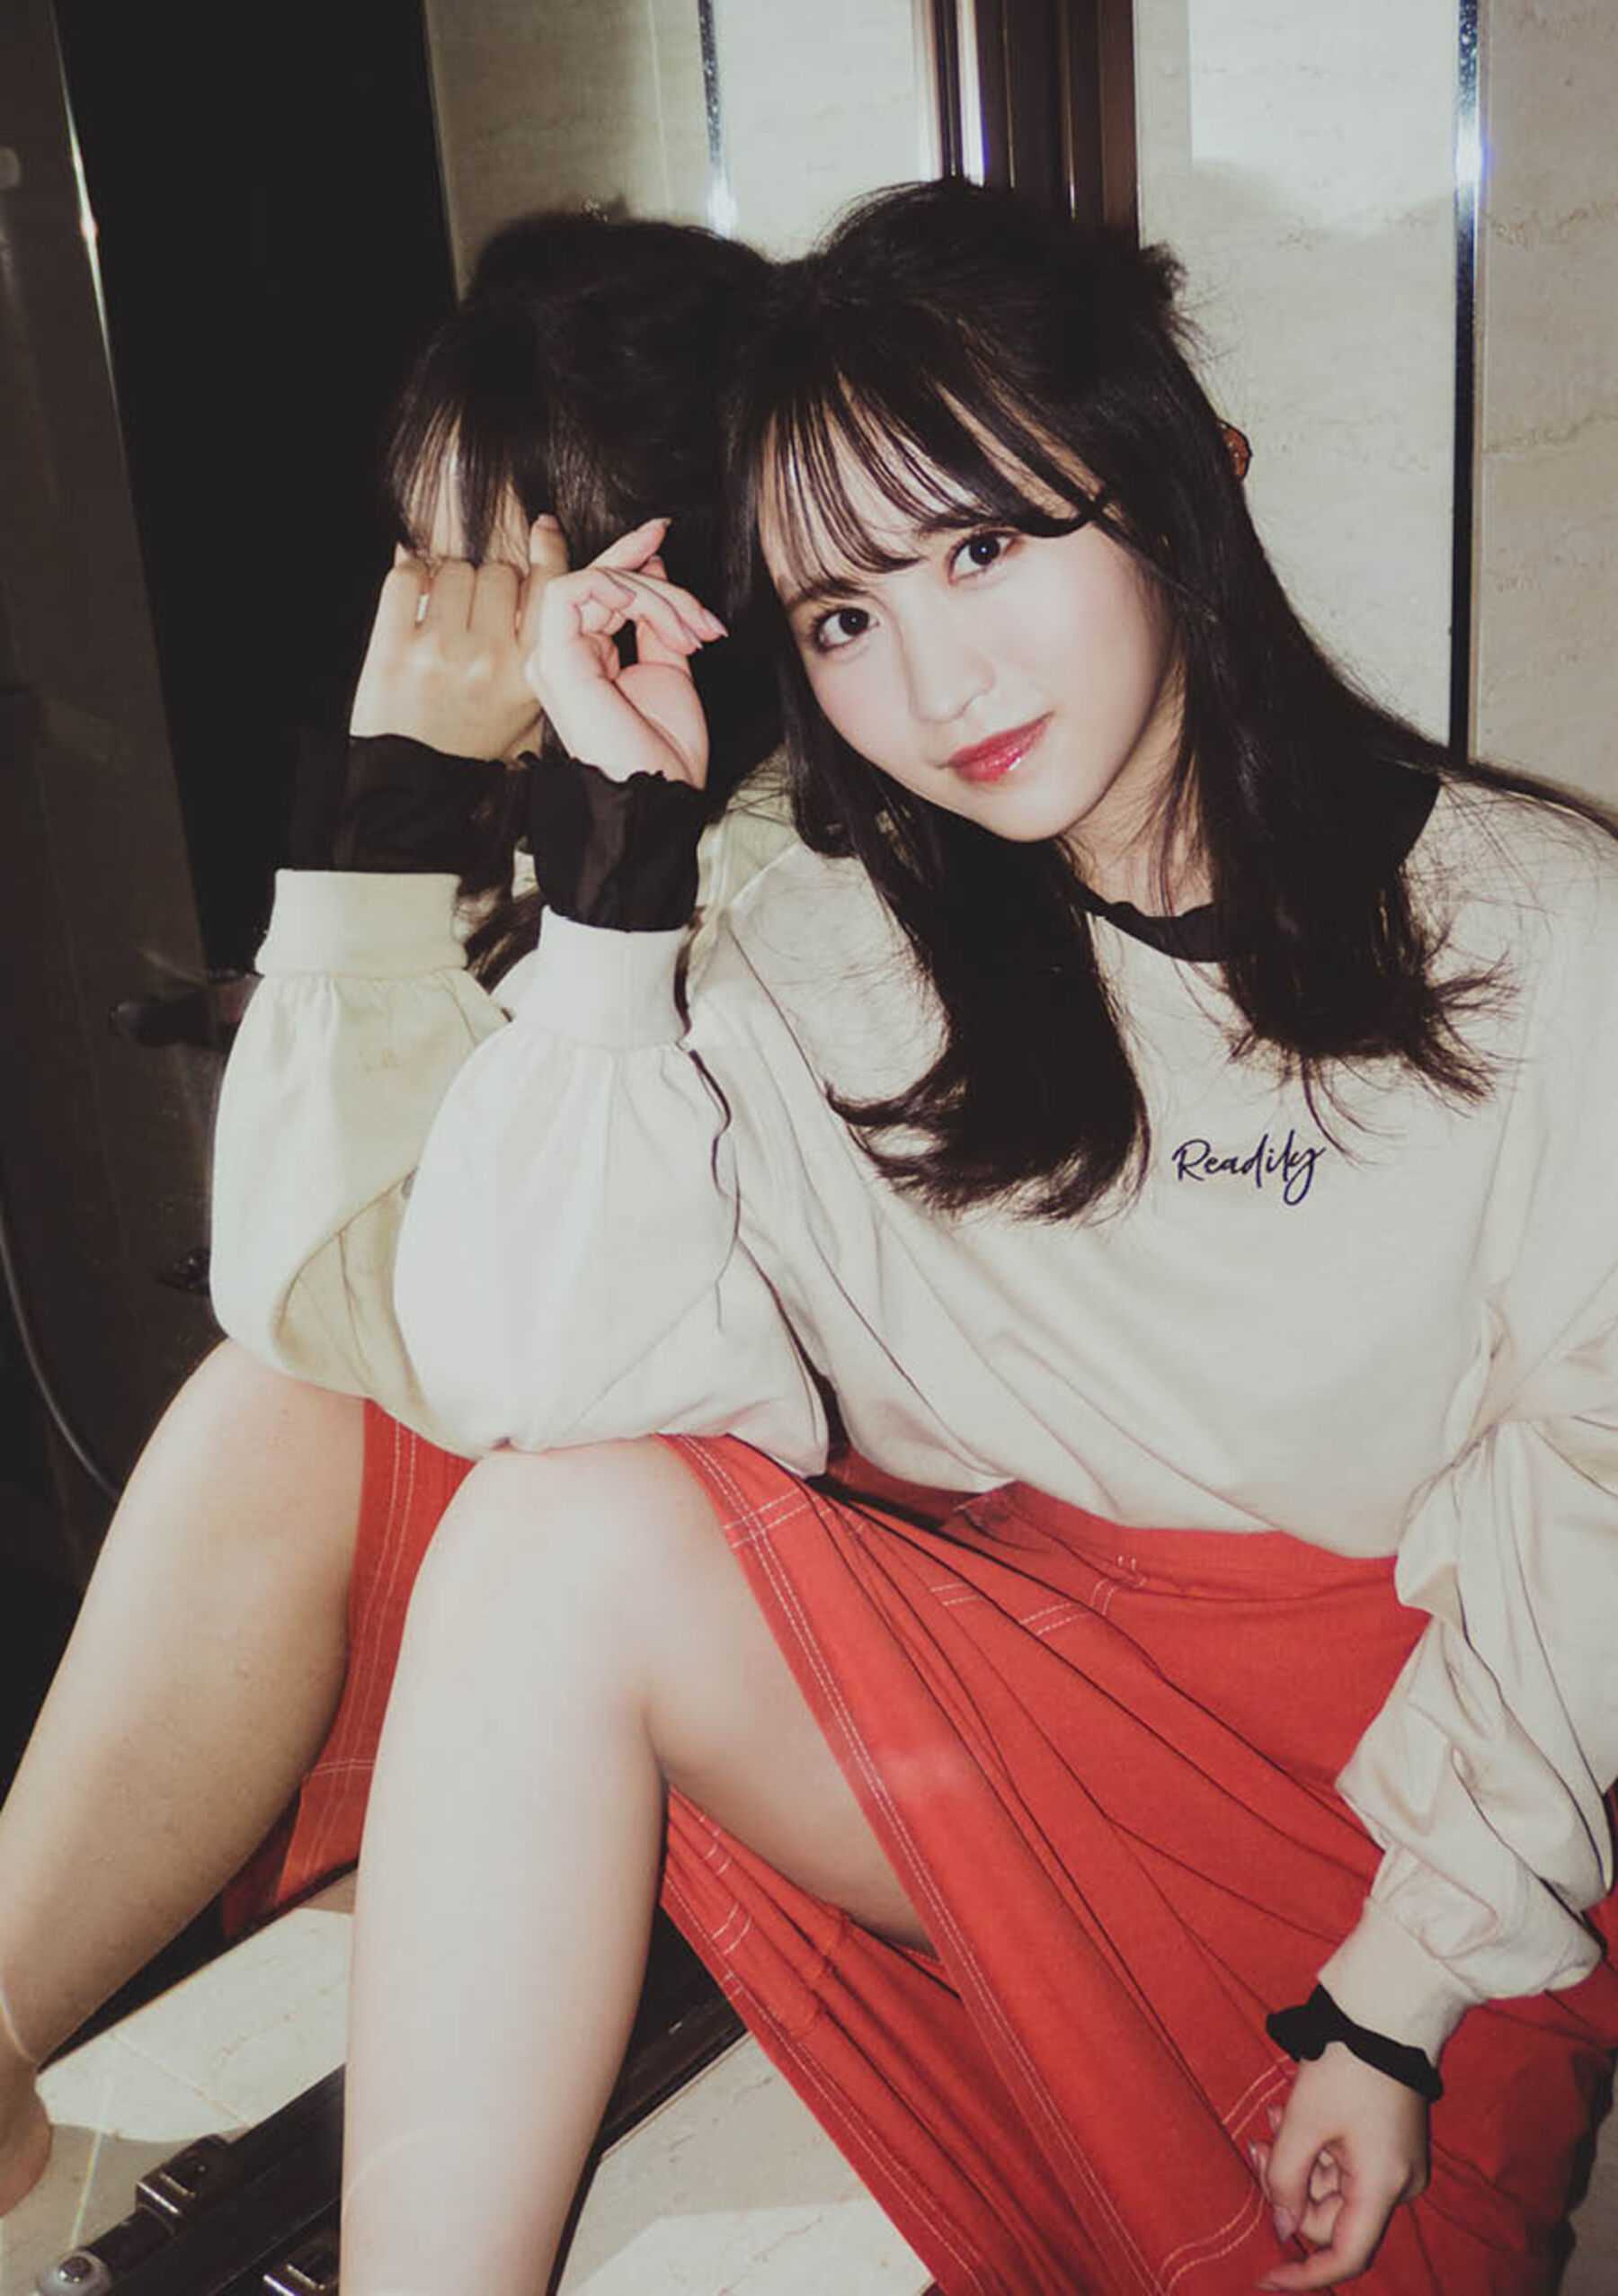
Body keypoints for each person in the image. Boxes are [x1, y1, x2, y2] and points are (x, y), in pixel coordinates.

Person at [76, 176, 1618, 2296]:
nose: (934, 674)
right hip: (1024, 1731)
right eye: (842, 616)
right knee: (548, 1519)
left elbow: (1595, 1495)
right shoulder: (835, 943)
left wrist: (1400, 1995)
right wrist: (615, 892)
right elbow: (537, 1379)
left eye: (982, 547)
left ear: (1175, 482)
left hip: (1388, 1814)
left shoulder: (1532, 924)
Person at [0, 207, 784, 2223]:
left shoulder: (774, 878)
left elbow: (409, 1327)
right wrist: (404, 809)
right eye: (418, 550)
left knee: (292, 1408)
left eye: (482, 557)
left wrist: (404, 806)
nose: (429, 614)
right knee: (277, 1398)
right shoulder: (608, 828)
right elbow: (300, 1289)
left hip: (768, 1581)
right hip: (610, 1515)